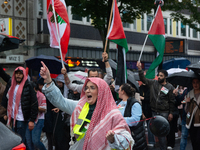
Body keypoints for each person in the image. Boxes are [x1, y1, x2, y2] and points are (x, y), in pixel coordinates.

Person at [40, 61, 134, 150]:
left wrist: (114, 138)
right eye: (87, 88)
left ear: (101, 92)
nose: (88, 91)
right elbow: (61, 102)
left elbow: (127, 139)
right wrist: (49, 81)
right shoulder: (80, 106)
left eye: (92, 88)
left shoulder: (112, 113)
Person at [136, 61, 175, 150]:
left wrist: (171, 113)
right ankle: (154, 145)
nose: (159, 77)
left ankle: (163, 148)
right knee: (153, 130)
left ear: (165, 77)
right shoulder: (154, 83)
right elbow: (143, 79)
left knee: (161, 133)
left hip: (164, 112)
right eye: (159, 75)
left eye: (161, 76)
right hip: (154, 111)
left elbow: (172, 101)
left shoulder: (170, 87)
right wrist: (139, 69)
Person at [1, 67, 38, 143]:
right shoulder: (11, 84)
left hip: (22, 119)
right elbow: (5, 99)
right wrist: (5, 113)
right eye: (17, 74)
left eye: (20, 74)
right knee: (14, 141)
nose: (18, 75)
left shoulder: (28, 86)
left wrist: (31, 120)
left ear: (23, 75)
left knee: (19, 141)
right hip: (12, 119)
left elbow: (34, 104)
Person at [117, 83, 147, 150]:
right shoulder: (118, 102)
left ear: (123, 91)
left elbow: (135, 120)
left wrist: (119, 120)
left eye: (119, 90)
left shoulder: (135, 103)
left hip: (134, 137)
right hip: (121, 136)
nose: (118, 92)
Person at [25, 81, 47, 150]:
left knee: (35, 141)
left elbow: (44, 109)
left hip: (38, 119)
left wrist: (34, 107)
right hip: (28, 119)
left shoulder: (41, 96)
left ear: (34, 88)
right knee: (28, 141)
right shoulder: (27, 96)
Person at [185, 78, 200, 150]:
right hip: (191, 121)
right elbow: (186, 110)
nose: (195, 84)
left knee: (198, 140)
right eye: (194, 82)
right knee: (194, 141)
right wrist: (187, 102)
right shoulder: (189, 93)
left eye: (197, 82)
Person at [139, 83, 155, 147]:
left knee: (150, 127)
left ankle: (151, 141)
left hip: (149, 109)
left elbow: (151, 99)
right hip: (142, 109)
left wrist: (143, 98)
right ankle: (143, 142)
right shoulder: (140, 88)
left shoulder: (151, 88)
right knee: (142, 127)